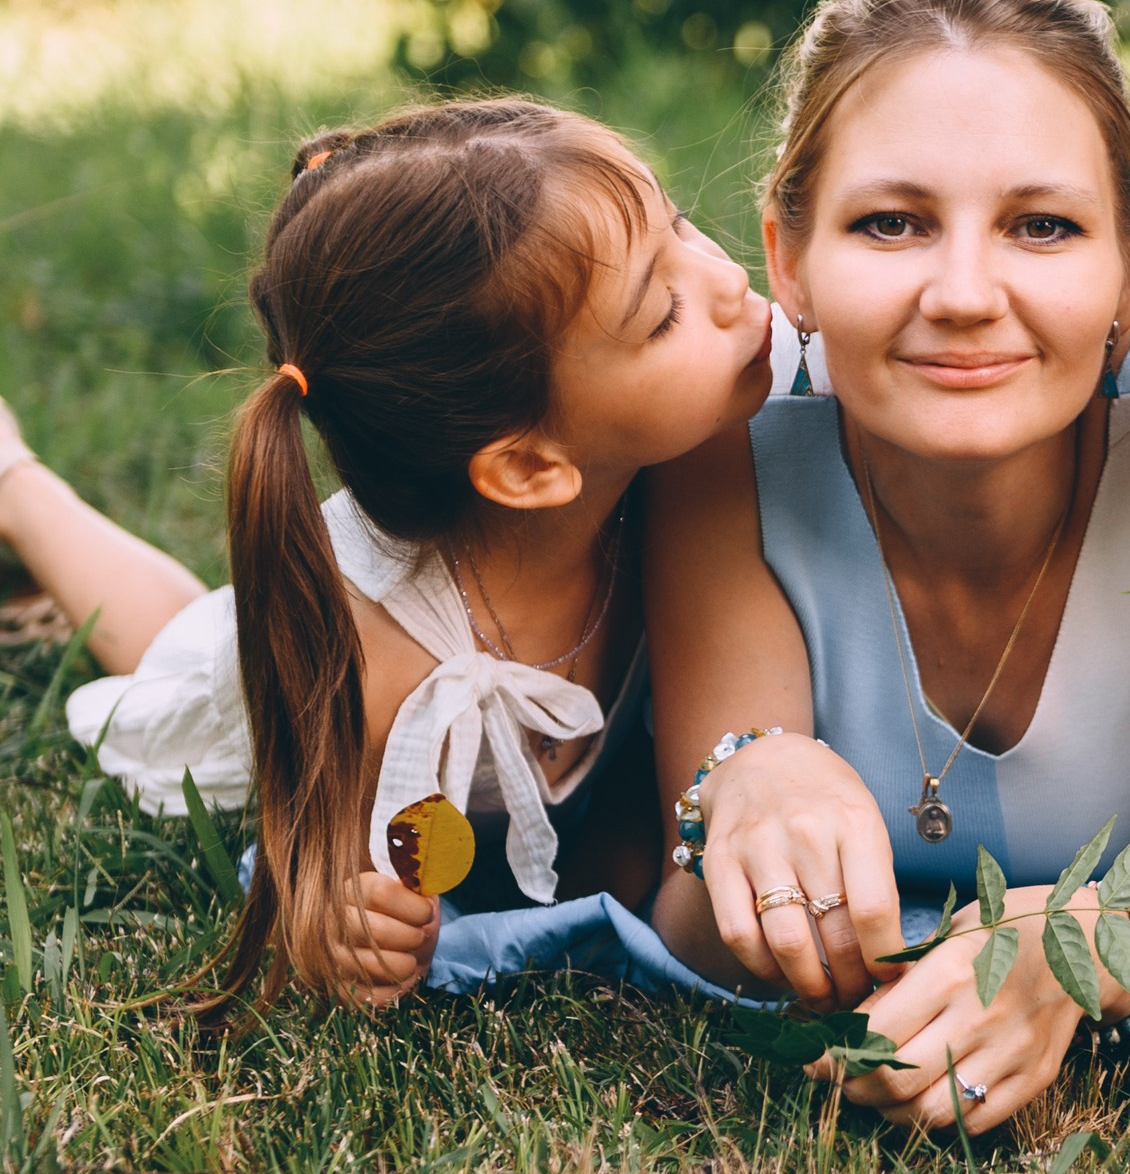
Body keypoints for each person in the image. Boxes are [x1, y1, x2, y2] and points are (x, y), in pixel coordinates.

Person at [647, 0, 1130, 1133]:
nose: (963, 293)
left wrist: (1087, 959)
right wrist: (743, 788)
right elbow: (693, 929)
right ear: (789, 261)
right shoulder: (724, 449)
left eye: (1041, 227)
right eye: (891, 223)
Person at [20, 97, 774, 1009]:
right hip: (267, 696)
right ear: (531, 467)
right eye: (663, 313)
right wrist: (350, 921)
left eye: (681, 224)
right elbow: (318, 879)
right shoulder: (371, 660)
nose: (725, 278)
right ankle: (20, 489)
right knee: (169, 648)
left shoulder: (669, 487)